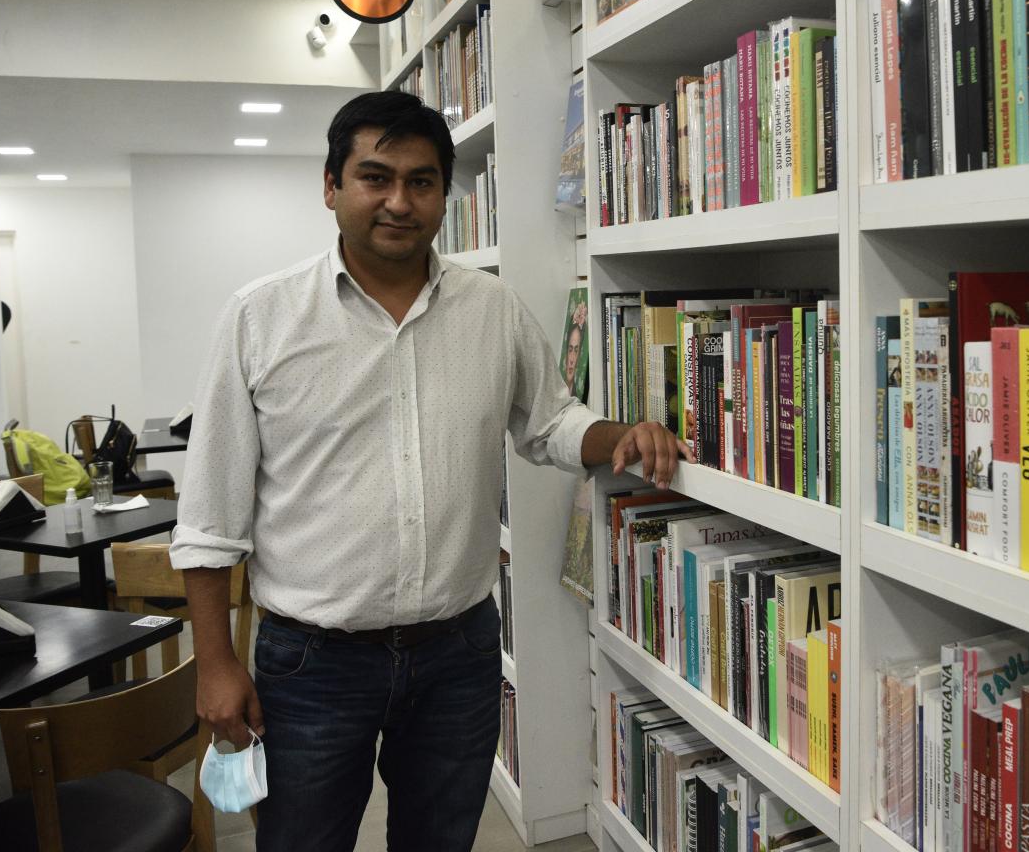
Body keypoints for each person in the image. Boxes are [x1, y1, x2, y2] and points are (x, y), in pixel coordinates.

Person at [169, 91, 692, 852]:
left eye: (421, 182)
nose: (398, 201)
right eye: (374, 177)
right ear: (331, 186)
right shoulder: (260, 318)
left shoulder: (493, 310)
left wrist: (625, 435)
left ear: (445, 195)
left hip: (458, 653)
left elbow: (550, 424)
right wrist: (214, 664)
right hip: (314, 662)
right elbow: (210, 516)